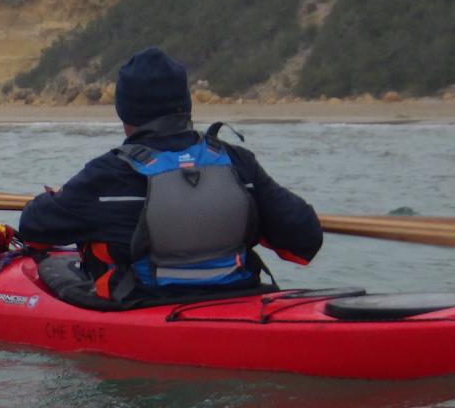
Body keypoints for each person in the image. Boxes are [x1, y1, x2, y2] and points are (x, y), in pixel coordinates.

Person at [17, 47, 323, 301]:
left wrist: (59, 196)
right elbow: (305, 238)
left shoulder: (107, 176)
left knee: (53, 266)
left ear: (125, 113)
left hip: (143, 307)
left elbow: (34, 227)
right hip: (235, 297)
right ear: (185, 106)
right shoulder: (239, 164)